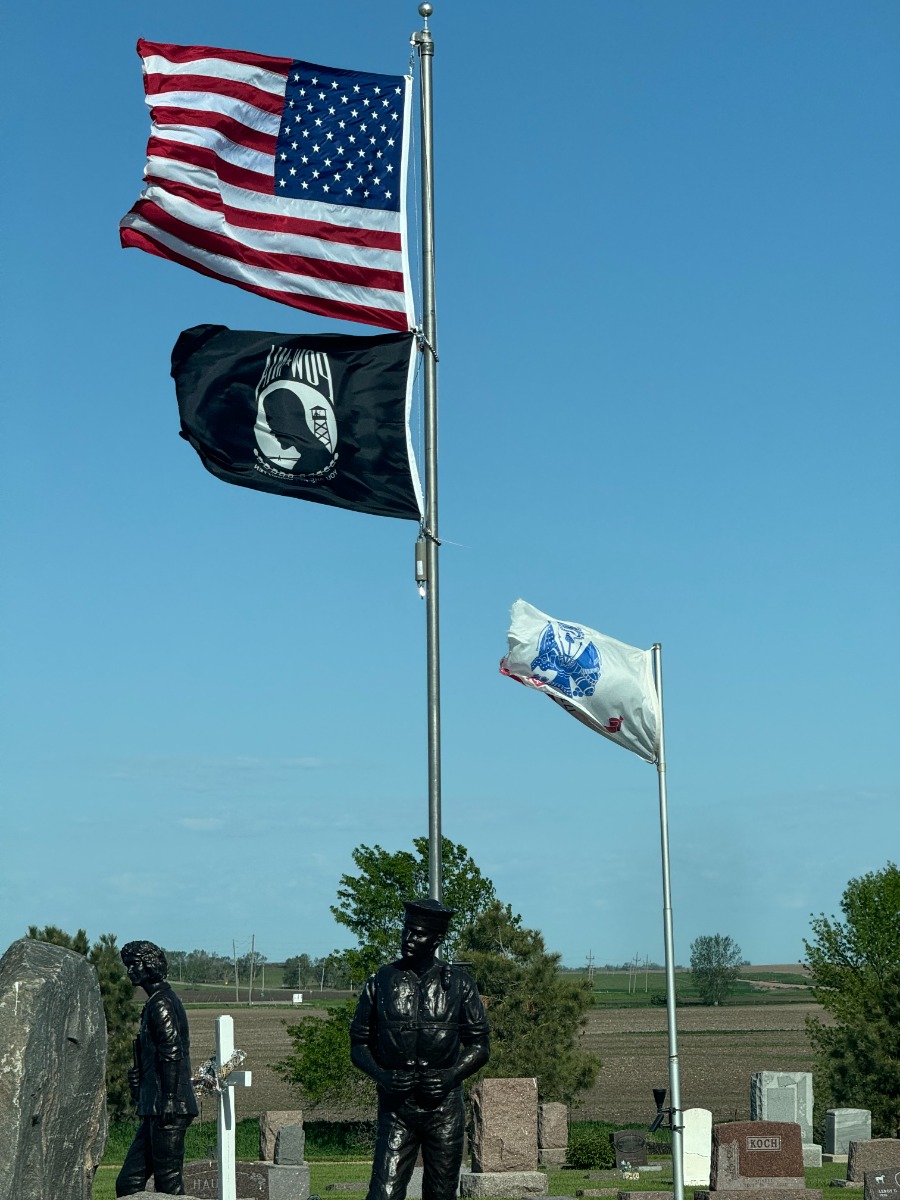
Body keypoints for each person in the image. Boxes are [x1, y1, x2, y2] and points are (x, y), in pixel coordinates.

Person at [350, 899, 490, 1200]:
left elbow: (480, 1046)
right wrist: (382, 1076)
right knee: (383, 1194)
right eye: (406, 930)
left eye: (418, 933)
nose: (408, 939)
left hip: (444, 1111)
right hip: (396, 1109)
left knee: (441, 1194)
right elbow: (358, 1045)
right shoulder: (380, 981)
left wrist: (451, 1075)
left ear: (436, 940)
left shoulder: (461, 985)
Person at [116, 940, 199, 1197]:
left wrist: (170, 1098)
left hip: (168, 1106)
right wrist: (139, 1081)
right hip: (155, 1105)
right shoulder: (155, 1001)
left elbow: (171, 1051)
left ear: (150, 965)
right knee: (129, 1182)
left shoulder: (162, 1003)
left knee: (168, 1181)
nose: (130, 971)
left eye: (134, 964)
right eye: (127, 966)